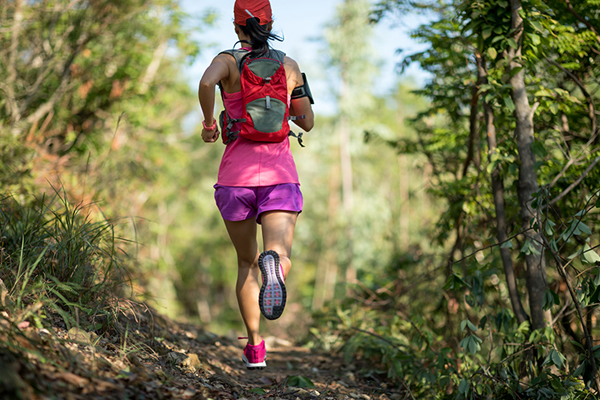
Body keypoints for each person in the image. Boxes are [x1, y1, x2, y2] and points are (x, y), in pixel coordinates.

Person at [198, 0, 314, 370]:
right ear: (271, 22)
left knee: (246, 262)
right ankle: (275, 266)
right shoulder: (289, 65)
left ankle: (255, 347)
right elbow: (307, 121)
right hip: (279, 175)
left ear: (237, 28)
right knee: (277, 255)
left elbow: (205, 82)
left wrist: (209, 123)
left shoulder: (228, 61)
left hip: (235, 180)